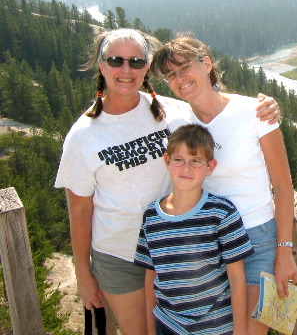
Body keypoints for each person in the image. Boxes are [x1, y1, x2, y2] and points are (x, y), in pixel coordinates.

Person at [54, 28, 280, 335]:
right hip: (120, 256)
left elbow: (216, 112)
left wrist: (264, 108)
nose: (126, 69)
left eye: (135, 62)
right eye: (116, 60)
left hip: (186, 251)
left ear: (146, 68)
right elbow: (79, 210)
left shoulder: (173, 111)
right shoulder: (83, 136)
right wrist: (83, 273)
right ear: (101, 66)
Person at [150, 34, 297, 335]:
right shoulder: (176, 123)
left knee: (252, 330)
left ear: (206, 64)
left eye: (184, 67)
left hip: (259, 239)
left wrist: (284, 251)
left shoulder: (255, 112)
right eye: (171, 75)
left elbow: (283, 187)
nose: (179, 78)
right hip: (207, 243)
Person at [135, 124, 253, 335]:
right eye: (178, 159)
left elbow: (237, 278)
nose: (186, 168)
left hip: (216, 327)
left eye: (196, 161)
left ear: (210, 167)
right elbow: (150, 276)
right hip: (168, 325)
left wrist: (240, 331)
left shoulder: (221, 213)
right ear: (167, 161)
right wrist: (151, 329)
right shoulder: (151, 216)